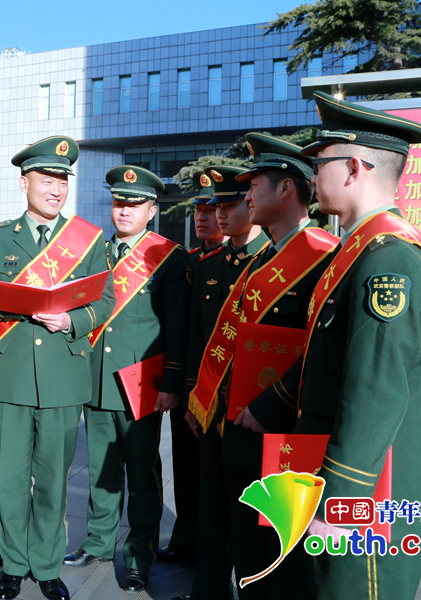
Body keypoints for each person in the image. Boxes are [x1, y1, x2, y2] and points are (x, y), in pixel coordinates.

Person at [289, 91, 421, 599]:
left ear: (355, 167)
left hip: (374, 506)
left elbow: (376, 392)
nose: (312, 176)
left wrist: (339, 503)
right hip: (374, 494)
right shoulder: (370, 251)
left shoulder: (386, 264)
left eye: (319, 162)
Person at [0, 136, 115, 600]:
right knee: (11, 480)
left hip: (63, 376)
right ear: (24, 182)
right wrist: (15, 305)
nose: (56, 189)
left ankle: (47, 567)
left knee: (53, 479)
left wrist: (72, 318)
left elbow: (104, 300)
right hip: (9, 376)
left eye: (62, 180)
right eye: (47, 179)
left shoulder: (87, 240)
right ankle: (13, 564)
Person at [219, 133, 337, 599]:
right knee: (247, 548)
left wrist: (271, 403)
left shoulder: (325, 256)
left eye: (255, 184)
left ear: (286, 189)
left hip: (287, 435)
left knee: (283, 558)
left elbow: (326, 351)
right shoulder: (262, 257)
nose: (245, 194)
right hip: (242, 430)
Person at [63, 165, 189, 593]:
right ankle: (98, 543)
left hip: (140, 383)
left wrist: (171, 383)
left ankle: (139, 555)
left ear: (152, 210)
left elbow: (176, 326)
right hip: (96, 380)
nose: (124, 211)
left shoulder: (170, 258)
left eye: (134, 204)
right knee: (100, 469)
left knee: (142, 474)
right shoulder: (94, 251)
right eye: (119, 202)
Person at [174, 165, 268, 600]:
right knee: (211, 510)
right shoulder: (211, 264)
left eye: (231, 204)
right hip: (212, 409)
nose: (222, 213)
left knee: (250, 516)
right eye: (219, 206)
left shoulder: (277, 263)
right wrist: (196, 398)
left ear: (252, 205)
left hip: (256, 415)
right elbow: (197, 337)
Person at [158, 170, 224, 564]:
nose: (202, 217)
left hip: (217, 390)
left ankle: (210, 547)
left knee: (212, 475)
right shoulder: (190, 260)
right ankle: (186, 537)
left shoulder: (240, 262)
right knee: (184, 469)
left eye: (212, 208)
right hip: (187, 388)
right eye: (198, 209)